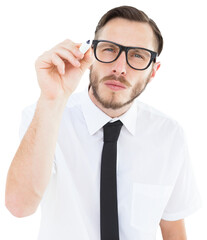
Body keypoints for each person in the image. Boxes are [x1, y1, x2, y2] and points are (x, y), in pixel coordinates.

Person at [5, 5, 201, 240]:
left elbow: (173, 230)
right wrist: (51, 100)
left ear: (153, 71)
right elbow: (19, 206)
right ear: (89, 54)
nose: (120, 68)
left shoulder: (169, 135)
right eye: (109, 50)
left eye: (137, 55)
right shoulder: (47, 115)